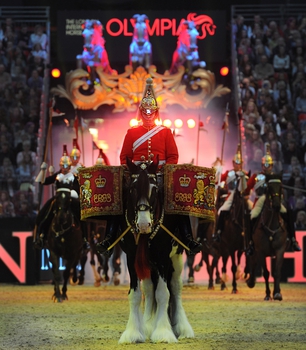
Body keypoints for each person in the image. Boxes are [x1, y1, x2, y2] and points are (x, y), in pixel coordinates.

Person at [97, 77, 202, 255]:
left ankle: (187, 238)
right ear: (140, 112)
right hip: (137, 174)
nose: (148, 114)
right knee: (119, 197)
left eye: (151, 111)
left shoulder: (166, 132)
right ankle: (109, 237)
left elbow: (173, 156)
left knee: (178, 199)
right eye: (145, 111)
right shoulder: (132, 132)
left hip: (158, 174)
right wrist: (131, 170)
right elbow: (124, 156)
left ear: (156, 112)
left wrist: (163, 170)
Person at [246, 144, 301, 252]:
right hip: (260, 201)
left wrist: (279, 198)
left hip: (273, 201)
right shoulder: (256, 177)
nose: (266, 167)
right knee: (251, 217)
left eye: (268, 165)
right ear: (262, 165)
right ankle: (250, 243)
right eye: (264, 165)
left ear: (271, 166)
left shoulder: (275, 177)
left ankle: (293, 240)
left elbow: (281, 192)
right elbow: (246, 190)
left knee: (287, 214)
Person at [33, 145, 89, 250]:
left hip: (71, 199)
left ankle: (85, 239)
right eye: (62, 165)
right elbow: (42, 181)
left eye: (66, 165)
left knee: (81, 216)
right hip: (58, 199)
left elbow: (81, 187)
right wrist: (43, 170)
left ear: (69, 166)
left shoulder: (74, 176)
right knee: (46, 213)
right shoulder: (58, 175)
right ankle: (41, 236)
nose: (64, 168)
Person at [213, 144, 251, 242]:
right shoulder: (228, 173)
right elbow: (216, 181)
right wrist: (218, 170)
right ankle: (219, 232)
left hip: (242, 197)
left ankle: (250, 235)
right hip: (230, 196)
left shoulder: (245, 174)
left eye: (239, 163)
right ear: (233, 163)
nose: (237, 165)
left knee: (252, 211)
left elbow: (247, 188)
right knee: (221, 211)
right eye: (236, 162)